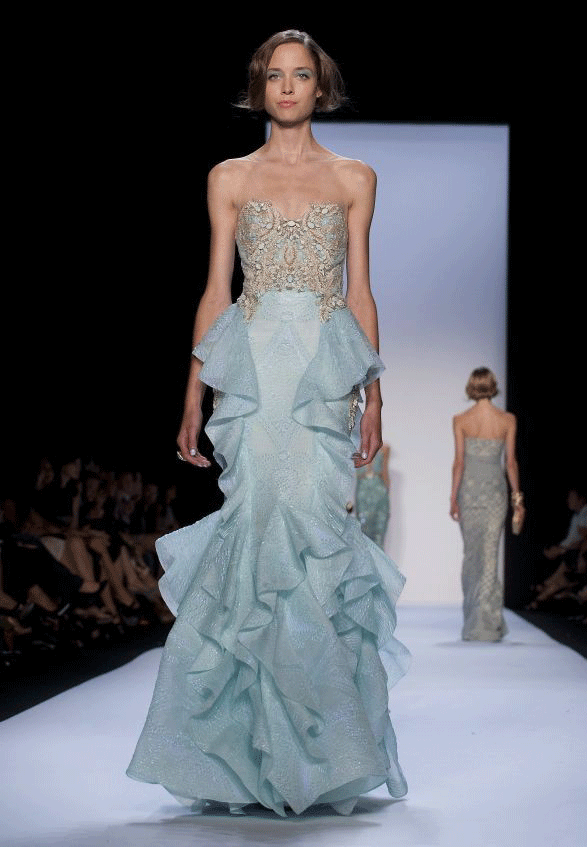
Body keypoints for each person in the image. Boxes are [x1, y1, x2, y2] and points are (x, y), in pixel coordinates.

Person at [126, 30, 409, 818]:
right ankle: (248, 756)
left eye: (301, 74)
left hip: (321, 369)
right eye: (274, 75)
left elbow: (360, 291)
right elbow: (215, 290)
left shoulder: (354, 177)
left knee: (314, 534)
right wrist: (194, 389)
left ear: (321, 87)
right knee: (252, 530)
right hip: (250, 373)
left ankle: (319, 751)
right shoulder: (228, 176)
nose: (287, 87)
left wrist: (375, 395)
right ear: (259, 87)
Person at [450, 367, 523, 641]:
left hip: (469, 492)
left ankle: (475, 622)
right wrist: (517, 498)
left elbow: (459, 462)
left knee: (472, 555)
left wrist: (453, 497)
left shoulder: (461, 420)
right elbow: (510, 463)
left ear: (471, 386)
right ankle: (489, 623)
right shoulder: (507, 420)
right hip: (495, 493)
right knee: (490, 555)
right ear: (492, 386)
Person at [355, 442, 391, 547]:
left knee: (379, 531)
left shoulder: (384, 449)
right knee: (362, 532)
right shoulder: (357, 449)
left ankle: (378, 557)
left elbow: (385, 474)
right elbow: (358, 476)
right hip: (363, 494)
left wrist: (386, 494)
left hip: (379, 493)